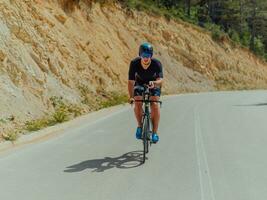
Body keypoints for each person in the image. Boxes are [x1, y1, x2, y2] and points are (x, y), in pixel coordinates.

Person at [128, 42, 163, 143]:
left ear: (151, 56)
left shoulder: (157, 64)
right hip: (139, 83)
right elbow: (131, 82)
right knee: (138, 102)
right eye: (143, 56)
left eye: (148, 56)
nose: (146, 58)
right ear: (140, 55)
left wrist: (155, 83)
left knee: (154, 104)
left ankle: (155, 133)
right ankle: (139, 126)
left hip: (154, 83)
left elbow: (161, 81)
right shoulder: (134, 63)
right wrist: (131, 97)